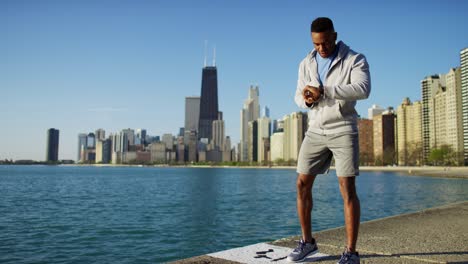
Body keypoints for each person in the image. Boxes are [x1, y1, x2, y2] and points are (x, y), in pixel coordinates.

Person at [287, 17, 371, 264]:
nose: (321, 48)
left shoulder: (355, 59)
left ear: (334, 36)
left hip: (343, 127)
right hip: (315, 129)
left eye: (324, 43)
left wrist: (325, 91)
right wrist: (307, 99)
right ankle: (307, 242)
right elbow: (297, 95)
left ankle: (351, 253)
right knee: (302, 184)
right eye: (316, 44)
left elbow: (363, 88)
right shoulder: (306, 62)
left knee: (347, 189)